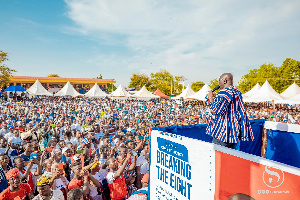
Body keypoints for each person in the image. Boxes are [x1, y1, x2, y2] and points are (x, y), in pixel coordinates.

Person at [206, 73, 254, 149]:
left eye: (219, 80)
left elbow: (214, 110)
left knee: (219, 157)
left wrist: (210, 98)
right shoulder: (236, 91)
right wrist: (217, 97)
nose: (219, 83)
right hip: (233, 133)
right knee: (229, 157)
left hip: (222, 133)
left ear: (224, 81)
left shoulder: (224, 92)